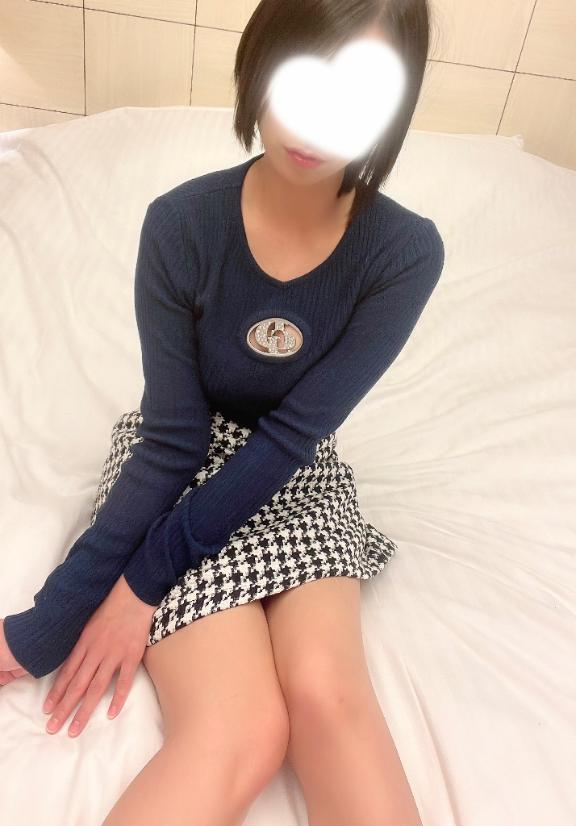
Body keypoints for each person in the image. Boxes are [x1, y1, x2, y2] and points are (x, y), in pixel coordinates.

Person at [0, 2, 444, 825]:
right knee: (241, 727)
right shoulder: (181, 226)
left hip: (297, 472)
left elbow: (293, 437)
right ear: (260, 63)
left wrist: (143, 586)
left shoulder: (404, 253)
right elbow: (173, 439)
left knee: (328, 697)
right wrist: (56, 619)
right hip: (180, 465)